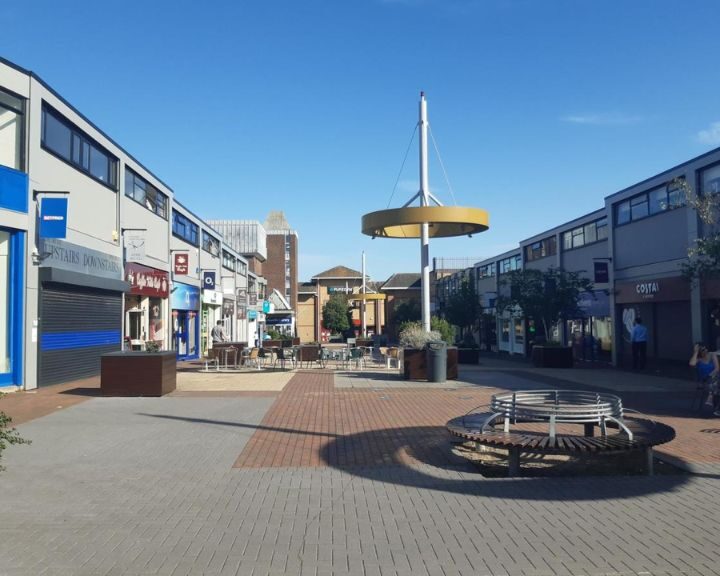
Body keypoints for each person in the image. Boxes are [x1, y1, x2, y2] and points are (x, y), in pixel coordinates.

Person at [690, 342, 720, 415]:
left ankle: (711, 398)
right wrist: (695, 352)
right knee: (716, 385)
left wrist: (710, 375)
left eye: (705, 349)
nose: (705, 351)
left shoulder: (712, 355)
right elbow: (692, 364)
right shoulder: (698, 359)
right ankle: (716, 408)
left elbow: (717, 368)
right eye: (702, 350)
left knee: (716, 383)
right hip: (704, 380)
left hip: (713, 377)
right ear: (699, 351)